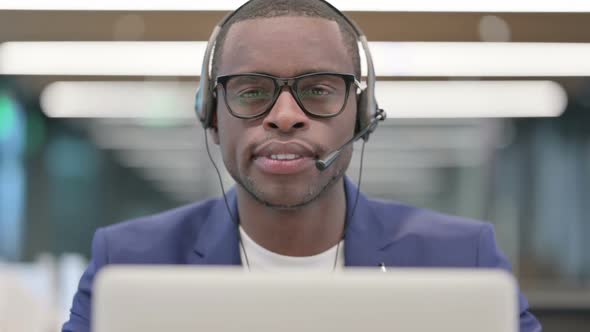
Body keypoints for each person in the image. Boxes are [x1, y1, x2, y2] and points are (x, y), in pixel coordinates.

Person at [62, 1, 542, 331]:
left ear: (364, 112)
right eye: (251, 91)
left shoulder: (464, 260)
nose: (285, 116)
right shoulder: (127, 261)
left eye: (317, 90)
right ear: (211, 115)